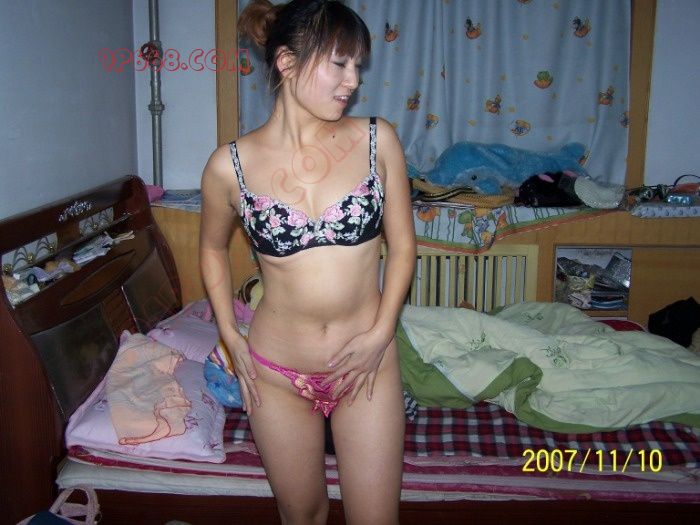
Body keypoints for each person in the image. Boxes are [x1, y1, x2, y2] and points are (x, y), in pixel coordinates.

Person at [199, 0, 416, 523]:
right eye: (340, 63)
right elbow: (210, 248)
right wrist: (229, 332)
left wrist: (382, 332)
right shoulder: (229, 166)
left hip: (366, 363)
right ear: (287, 62)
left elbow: (404, 247)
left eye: (357, 65)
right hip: (275, 373)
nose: (353, 81)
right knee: (302, 516)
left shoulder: (377, 139)